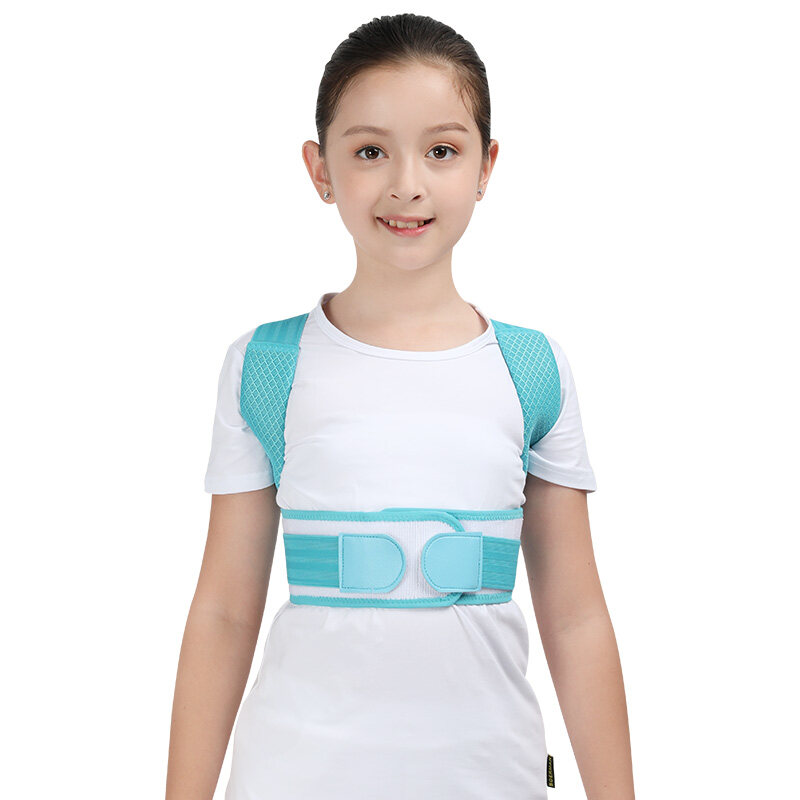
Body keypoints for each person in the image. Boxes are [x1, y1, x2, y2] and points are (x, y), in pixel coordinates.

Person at [166, 13, 635, 800]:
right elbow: (223, 612)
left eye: (441, 151)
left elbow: (577, 616)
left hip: (490, 779)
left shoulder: (532, 369)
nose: (407, 184)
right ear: (320, 169)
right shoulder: (268, 365)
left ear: (486, 165)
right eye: (370, 151)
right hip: (295, 777)